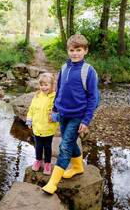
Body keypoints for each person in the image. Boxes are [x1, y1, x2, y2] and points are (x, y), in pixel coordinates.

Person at [42, 35, 99, 195]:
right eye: (72, 50)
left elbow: (92, 97)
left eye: (78, 50)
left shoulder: (88, 71)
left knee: (65, 146)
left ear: (85, 51)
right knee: (71, 141)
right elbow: (59, 90)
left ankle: (52, 183)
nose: (75, 53)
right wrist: (54, 109)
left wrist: (86, 120)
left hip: (77, 116)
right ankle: (78, 167)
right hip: (63, 114)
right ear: (67, 50)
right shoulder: (64, 68)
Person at [26, 72, 59, 175]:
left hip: (48, 128)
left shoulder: (55, 98)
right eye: (41, 85)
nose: (43, 87)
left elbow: (59, 111)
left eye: (46, 85)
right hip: (37, 127)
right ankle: (38, 160)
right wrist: (29, 121)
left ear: (52, 85)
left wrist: (55, 119)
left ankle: (47, 164)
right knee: (38, 145)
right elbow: (31, 109)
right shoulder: (37, 96)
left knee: (48, 146)